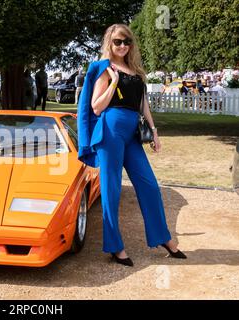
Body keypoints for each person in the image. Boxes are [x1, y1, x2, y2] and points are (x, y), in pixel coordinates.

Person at [77, 23, 186, 267]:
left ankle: (163, 238)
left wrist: (155, 131)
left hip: (132, 134)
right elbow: (96, 106)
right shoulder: (105, 68)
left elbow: (143, 103)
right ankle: (115, 247)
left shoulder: (136, 70)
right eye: (118, 41)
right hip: (110, 131)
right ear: (109, 43)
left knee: (149, 185)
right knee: (112, 189)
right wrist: (114, 83)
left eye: (127, 41)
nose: (123, 46)